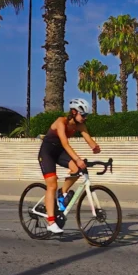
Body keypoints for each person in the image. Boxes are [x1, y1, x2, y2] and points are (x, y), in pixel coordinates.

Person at [38, 98, 101, 234]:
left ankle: (63, 192)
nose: (85, 118)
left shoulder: (80, 125)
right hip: (47, 153)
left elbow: (88, 139)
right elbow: (65, 144)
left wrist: (95, 147)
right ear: (74, 112)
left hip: (59, 152)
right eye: (83, 115)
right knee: (52, 185)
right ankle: (51, 222)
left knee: (77, 169)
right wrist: (77, 159)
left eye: (86, 115)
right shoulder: (61, 122)